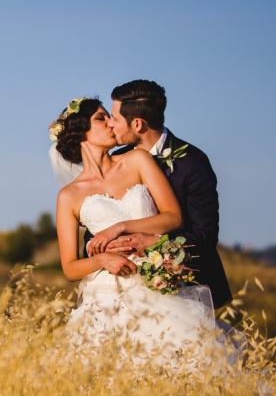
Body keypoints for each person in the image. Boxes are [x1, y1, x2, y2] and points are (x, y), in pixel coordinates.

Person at [50, 97, 220, 364]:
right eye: (101, 118)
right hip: (107, 295)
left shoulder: (138, 160)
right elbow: (70, 267)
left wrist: (121, 228)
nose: (112, 123)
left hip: (156, 285)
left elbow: (173, 217)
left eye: (109, 116)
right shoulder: (68, 196)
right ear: (81, 131)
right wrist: (102, 260)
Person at [88, 79, 232, 309]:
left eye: (115, 118)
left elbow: (204, 237)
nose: (110, 124)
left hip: (185, 291)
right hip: (123, 291)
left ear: (137, 124)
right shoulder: (115, 160)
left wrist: (155, 242)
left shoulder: (192, 162)